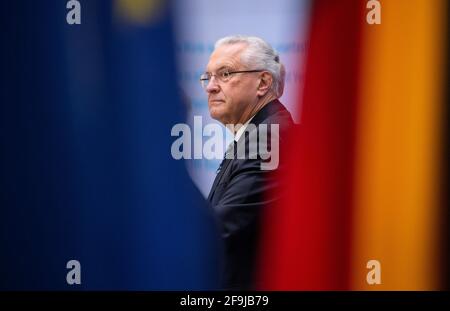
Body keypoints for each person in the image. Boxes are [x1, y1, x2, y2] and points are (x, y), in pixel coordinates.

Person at [200, 35, 294, 289]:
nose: (211, 87)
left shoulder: (270, 139)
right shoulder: (257, 134)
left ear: (263, 82)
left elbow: (220, 228)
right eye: (208, 77)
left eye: (225, 74)